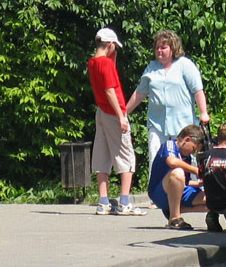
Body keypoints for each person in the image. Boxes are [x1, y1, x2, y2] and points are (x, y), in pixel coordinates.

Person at [126, 30, 209, 169]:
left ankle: (189, 188)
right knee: (156, 160)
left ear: (173, 48)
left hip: (183, 125)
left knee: (186, 161)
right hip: (157, 124)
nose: (159, 51)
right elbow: (140, 93)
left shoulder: (185, 65)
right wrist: (124, 113)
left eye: (163, 47)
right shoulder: (151, 68)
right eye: (157, 47)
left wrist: (203, 112)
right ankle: (157, 190)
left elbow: (198, 90)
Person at [87, 27, 146, 216]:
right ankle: (125, 202)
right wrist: (121, 116)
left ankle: (103, 201)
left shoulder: (93, 62)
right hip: (114, 113)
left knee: (102, 155)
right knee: (126, 156)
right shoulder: (107, 65)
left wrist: (111, 57)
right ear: (111, 45)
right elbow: (110, 90)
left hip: (101, 112)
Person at [148, 124, 207, 230]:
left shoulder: (187, 157)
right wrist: (197, 171)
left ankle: (173, 210)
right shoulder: (170, 144)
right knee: (178, 172)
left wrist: (201, 183)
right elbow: (172, 161)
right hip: (160, 192)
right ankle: (174, 218)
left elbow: (185, 182)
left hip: (179, 191)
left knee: (211, 199)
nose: (193, 152)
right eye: (193, 148)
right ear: (187, 139)